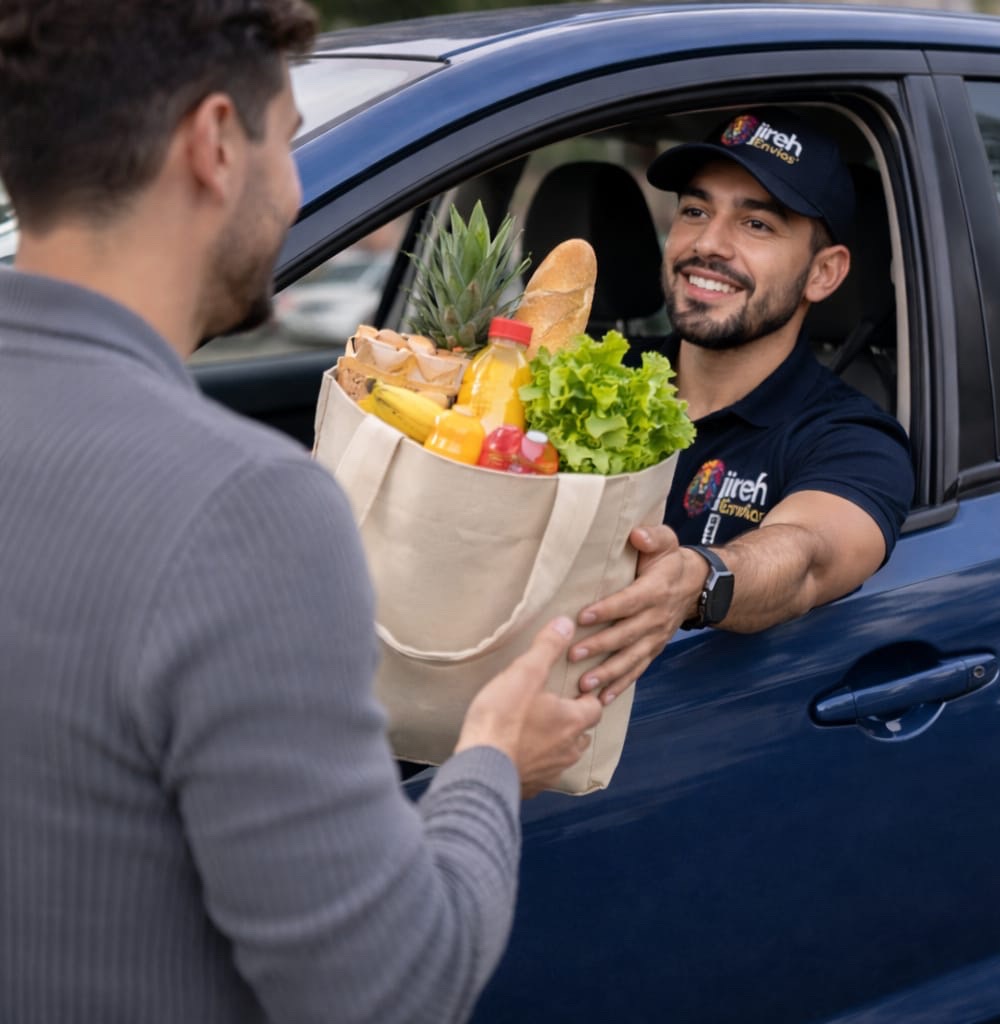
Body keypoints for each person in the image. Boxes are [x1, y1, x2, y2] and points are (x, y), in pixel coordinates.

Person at [0, 3, 601, 1022]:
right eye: (287, 143)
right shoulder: (244, 509)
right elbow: (391, 990)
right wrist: (494, 759)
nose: (292, 190)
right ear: (214, 144)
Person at [569, 108, 915, 702]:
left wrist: (697, 579)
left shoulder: (851, 437)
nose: (707, 244)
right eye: (695, 211)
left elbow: (806, 557)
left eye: (756, 224)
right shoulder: (591, 377)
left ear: (824, 273)